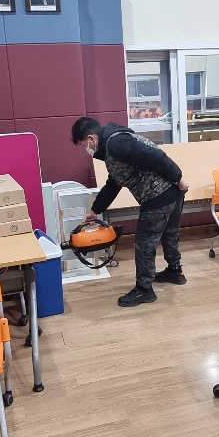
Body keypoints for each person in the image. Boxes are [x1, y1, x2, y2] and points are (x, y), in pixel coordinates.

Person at [72, 117, 188, 307]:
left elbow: (155, 156)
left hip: (158, 194)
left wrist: (178, 178)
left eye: (84, 144)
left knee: (144, 243)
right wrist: (95, 210)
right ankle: (175, 271)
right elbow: (114, 183)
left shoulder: (116, 143)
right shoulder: (114, 144)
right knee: (169, 234)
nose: (86, 149)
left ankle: (144, 289)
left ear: (91, 138)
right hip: (171, 192)